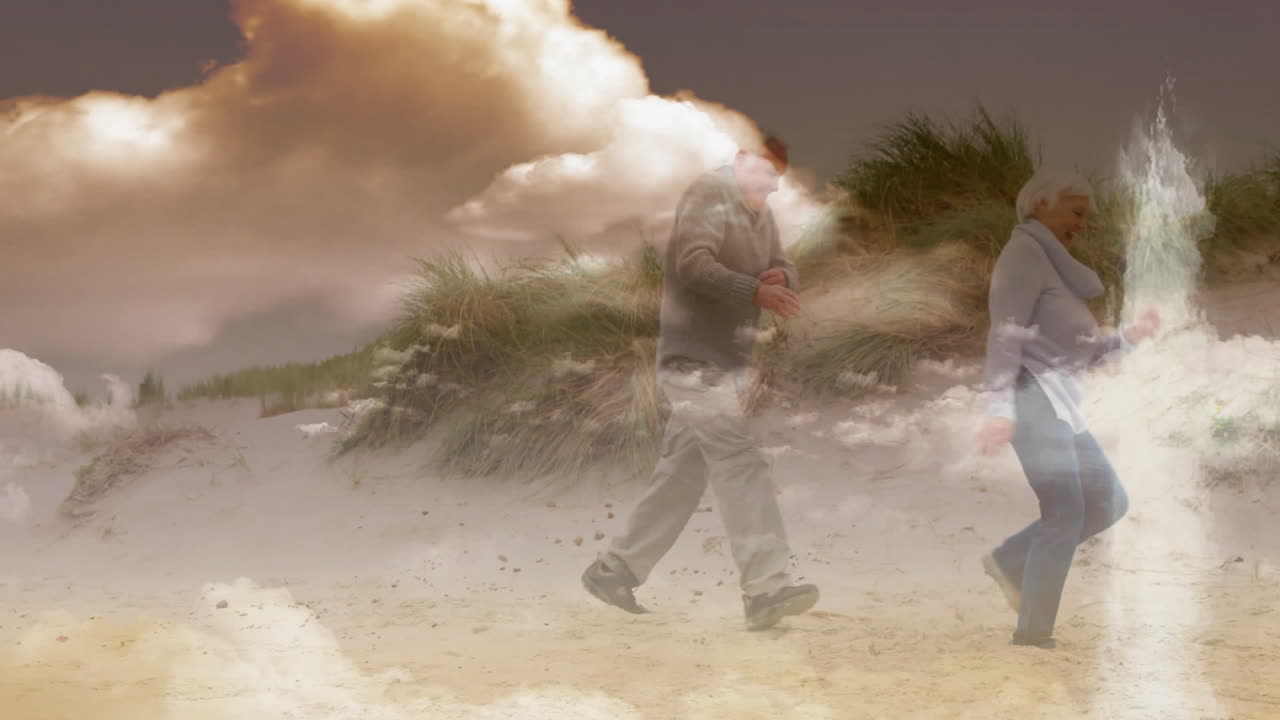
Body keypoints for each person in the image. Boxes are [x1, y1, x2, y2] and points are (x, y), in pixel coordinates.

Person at [581, 136, 819, 631]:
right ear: (740, 161)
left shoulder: (758, 212)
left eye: (776, 177)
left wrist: (782, 278)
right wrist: (753, 290)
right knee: (739, 462)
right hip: (692, 361)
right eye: (764, 172)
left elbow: (783, 261)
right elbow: (693, 264)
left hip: (723, 364)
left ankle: (614, 570)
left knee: (682, 476)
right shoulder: (709, 193)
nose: (772, 185)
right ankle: (766, 589)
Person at [977, 168, 1162, 649]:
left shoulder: (1053, 267)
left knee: (1108, 501)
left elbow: (1080, 353)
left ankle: (1009, 561)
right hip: (1029, 396)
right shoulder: (1022, 255)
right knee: (1065, 511)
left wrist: (1129, 338)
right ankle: (1032, 635)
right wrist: (999, 407)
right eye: (1076, 212)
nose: (1082, 224)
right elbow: (1005, 334)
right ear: (1043, 204)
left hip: (1059, 403)